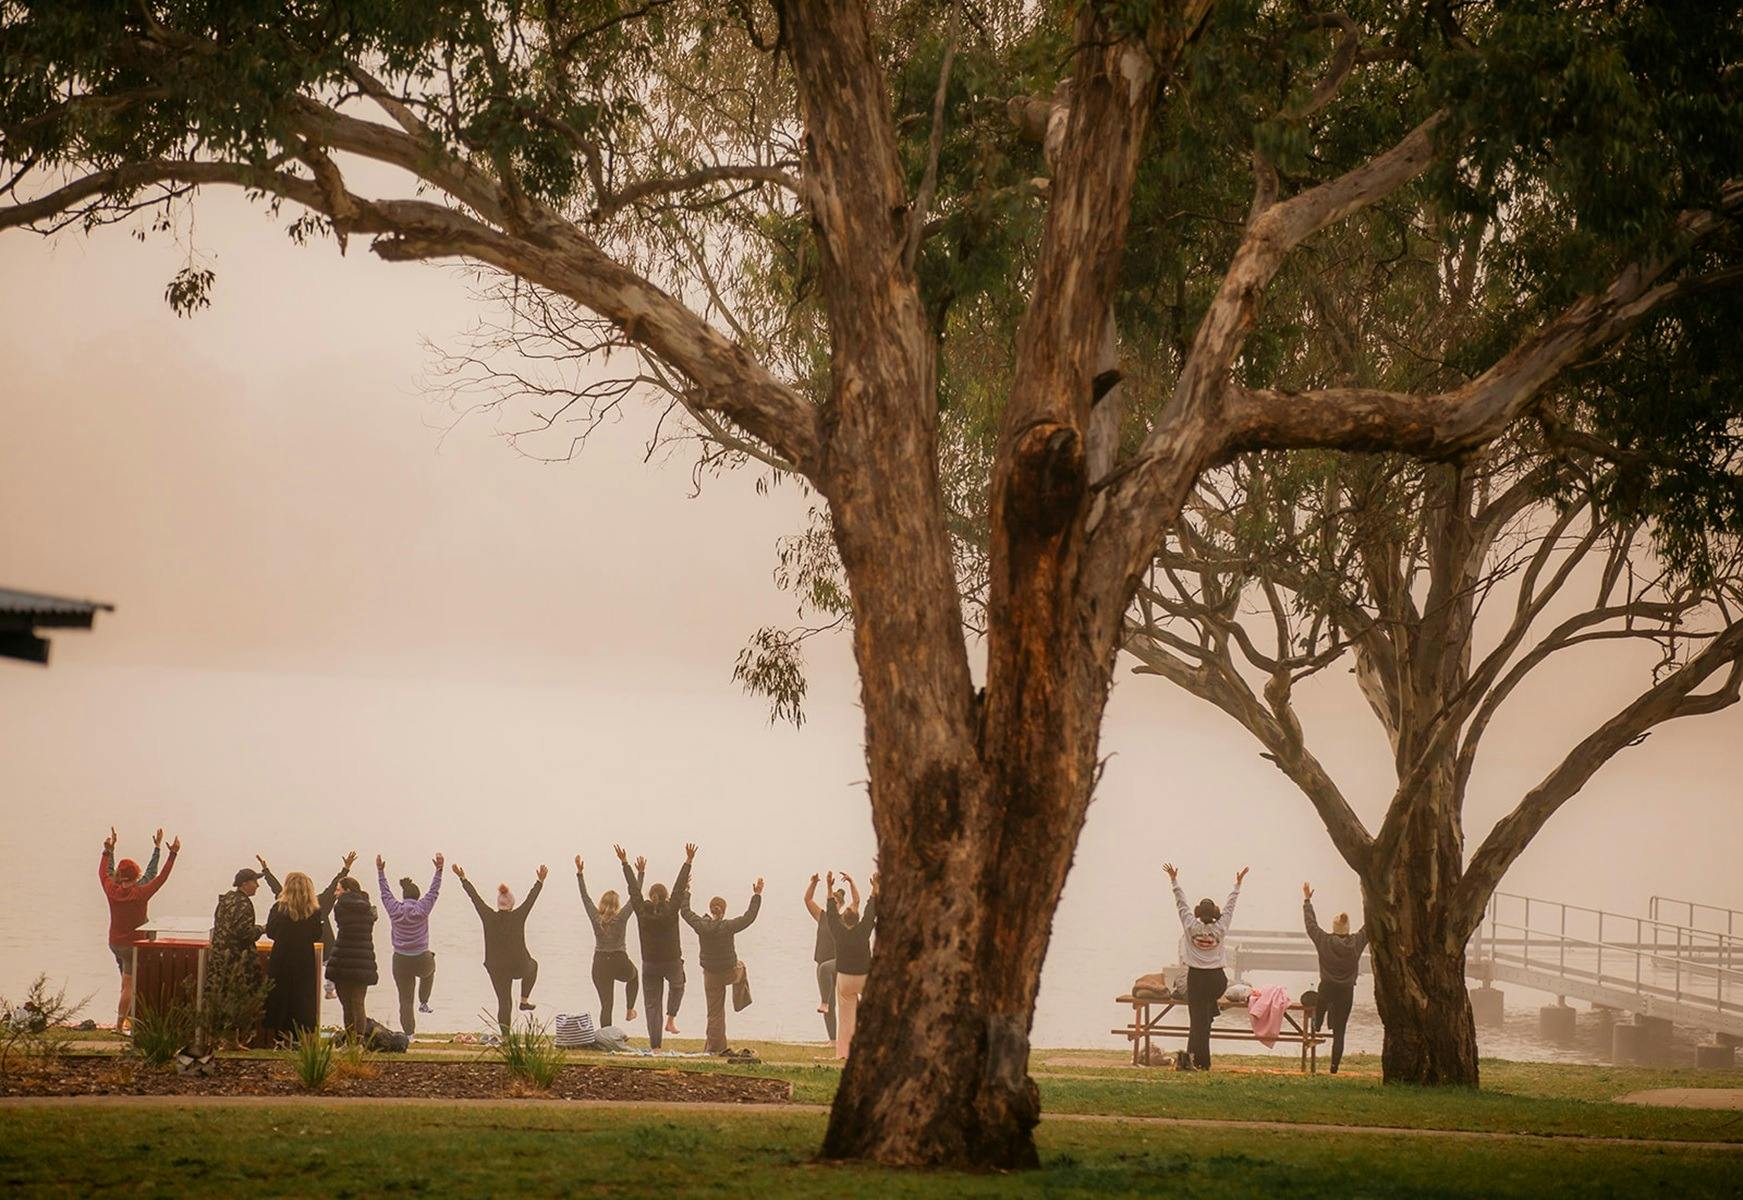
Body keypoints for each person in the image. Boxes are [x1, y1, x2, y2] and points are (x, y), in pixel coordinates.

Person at [1165, 861, 1246, 1070]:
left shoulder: (1191, 926)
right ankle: (1203, 1061)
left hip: (1197, 978)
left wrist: (1174, 880)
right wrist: (1237, 885)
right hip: (1217, 980)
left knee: (1197, 1022)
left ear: (1198, 913)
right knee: (1204, 1021)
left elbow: (1180, 904)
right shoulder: (1220, 928)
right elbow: (1230, 907)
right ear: (1215, 914)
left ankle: (1192, 1060)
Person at [98, 826, 179, 1031]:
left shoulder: (111, 890)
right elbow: (160, 877)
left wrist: (108, 850)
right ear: (136, 875)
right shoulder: (141, 893)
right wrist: (172, 854)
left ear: (119, 876)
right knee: (129, 985)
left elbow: (103, 873)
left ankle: (129, 1018)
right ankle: (119, 1026)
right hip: (133, 946)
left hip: (114, 942)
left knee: (125, 981)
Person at [454, 862, 546, 1032]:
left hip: (496, 968)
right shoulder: (518, 915)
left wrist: (463, 878)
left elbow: (475, 898)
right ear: (511, 905)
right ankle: (524, 1000)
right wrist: (539, 882)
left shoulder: (487, 916)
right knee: (534, 966)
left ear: (498, 904)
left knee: (504, 1002)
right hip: (519, 965)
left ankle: (505, 1038)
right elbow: (530, 900)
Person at [682, 867, 763, 1054]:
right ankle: (740, 1002)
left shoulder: (701, 925)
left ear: (710, 910)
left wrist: (686, 890)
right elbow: (748, 917)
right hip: (730, 972)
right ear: (724, 911)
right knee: (742, 967)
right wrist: (757, 895)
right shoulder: (728, 926)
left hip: (711, 974)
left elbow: (685, 911)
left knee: (714, 1013)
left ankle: (714, 1048)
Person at [618, 842, 692, 1049]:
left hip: (650, 963)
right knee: (678, 985)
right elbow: (679, 890)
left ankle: (655, 1047)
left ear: (650, 896)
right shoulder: (671, 910)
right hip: (672, 962)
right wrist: (688, 862)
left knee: (652, 1005)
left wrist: (626, 864)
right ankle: (671, 1018)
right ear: (666, 897)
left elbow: (634, 891)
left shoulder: (642, 911)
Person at [258, 850, 354, 1000]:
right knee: (327, 971)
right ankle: (329, 990)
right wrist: (346, 869)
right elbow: (331, 888)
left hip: (306, 951)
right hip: (318, 948)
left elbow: (278, 890)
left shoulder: (287, 906)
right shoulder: (319, 904)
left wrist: (266, 872)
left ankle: (329, 989)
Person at [263, 870, 340, 1042]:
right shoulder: (313, 911)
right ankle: (299, 1037)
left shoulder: (278, 908)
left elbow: (270, 932)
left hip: (281, 957)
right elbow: (316, 934)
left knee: (281, 996)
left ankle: (281, 1037)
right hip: (304, 958)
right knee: (302, 997)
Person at [1303, 882, 1368, 1074]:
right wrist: (1370, 900)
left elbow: (1311, 925)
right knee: (1340, 1031)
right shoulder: (1356, 943)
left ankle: (1318, 1022)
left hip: (1327, 987)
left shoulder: (1324, 941)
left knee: (1321, 1004)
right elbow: (1369, 927)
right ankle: (1334, 1068)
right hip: (1346, 991)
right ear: (1347, 929)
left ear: (1334, 928)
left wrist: (1307, 901)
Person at [378, 853, 444, 1037]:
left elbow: (385, 893)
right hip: (422, 958)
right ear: (417, 896)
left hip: (400, 960)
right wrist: (439, 870)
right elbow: (434, 891)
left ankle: (409, 1034)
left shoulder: (395, 909)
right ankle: (424, 1001)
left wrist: (380, 871)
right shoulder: (422, 908)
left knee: (405, 1000)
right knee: (430, 967)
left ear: (404, 895)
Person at [576, 855, 638, 1028]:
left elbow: (585, 897)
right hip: (619, 960)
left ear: (602, 903)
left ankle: (605, 1036)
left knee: (606, 1005)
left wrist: (580, 874)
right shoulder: (621, 917)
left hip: (600, 963)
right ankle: (629, 1010)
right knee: (634, 976)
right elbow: (635, 896)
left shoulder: (596, 917)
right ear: (617, 905)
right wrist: (639, 873)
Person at [208, 866, 267, 1044]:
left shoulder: (226, 900)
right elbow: (244, 933)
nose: (257, 886)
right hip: (237, 961)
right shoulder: (243, 904)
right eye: (255, 882)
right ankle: (233, 1040)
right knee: (238, 998)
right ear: (245, 883)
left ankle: (223, 1039)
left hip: (220, 958)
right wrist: (262, 929)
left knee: (222, 998)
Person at [825, 870, 877, 1060]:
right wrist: (875, 889)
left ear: (844, 919)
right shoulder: (863, 930)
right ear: (856, 919)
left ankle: (844, 1053)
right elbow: (871, 912)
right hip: (864, 976)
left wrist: (830, 887)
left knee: (846, 1019)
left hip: (846, 978)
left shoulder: (838, 931)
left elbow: (831, 912)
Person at [325, 876, 379, 1039]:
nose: (336, 893)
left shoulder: (340, 907)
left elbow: (340, 922)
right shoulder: (368, 908)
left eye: (338, 889)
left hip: (343, 958)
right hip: (363, 959)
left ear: (347, 891)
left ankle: (350, 1040)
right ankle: (360, 1039)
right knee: (358, 1002)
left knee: (346, 1005)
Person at [804, 872, 854, 1042]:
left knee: (844, 1003)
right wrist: (814, 883)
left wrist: (851, 883)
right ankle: (833, 1040)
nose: (833, 904)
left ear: (840, 905)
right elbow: (808, 900)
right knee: (829, 1005)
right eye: (832, 901)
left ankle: (847, 1038)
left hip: (839, 966)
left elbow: (857, 903)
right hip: (822, 965)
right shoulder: (822, 916)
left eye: (836, 902)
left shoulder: (844, 920)